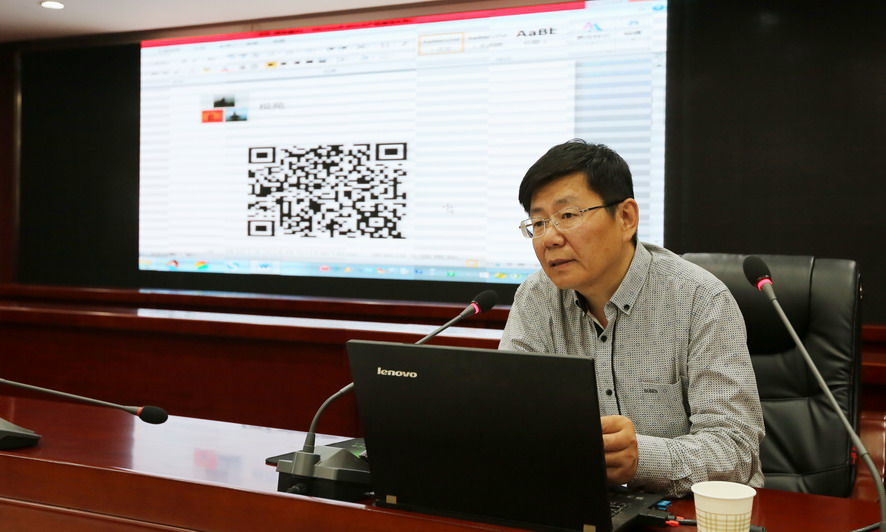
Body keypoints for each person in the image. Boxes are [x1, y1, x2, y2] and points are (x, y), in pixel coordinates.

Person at [499, 139, 764, 497]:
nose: (549, 239)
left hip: (685, 511)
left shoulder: (700, 299)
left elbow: (736, 448)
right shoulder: (536, 297)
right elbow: (510, 417)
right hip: (580, 501)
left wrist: (644, 458)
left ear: (626, 218)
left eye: (568, 216)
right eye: (538, 222)